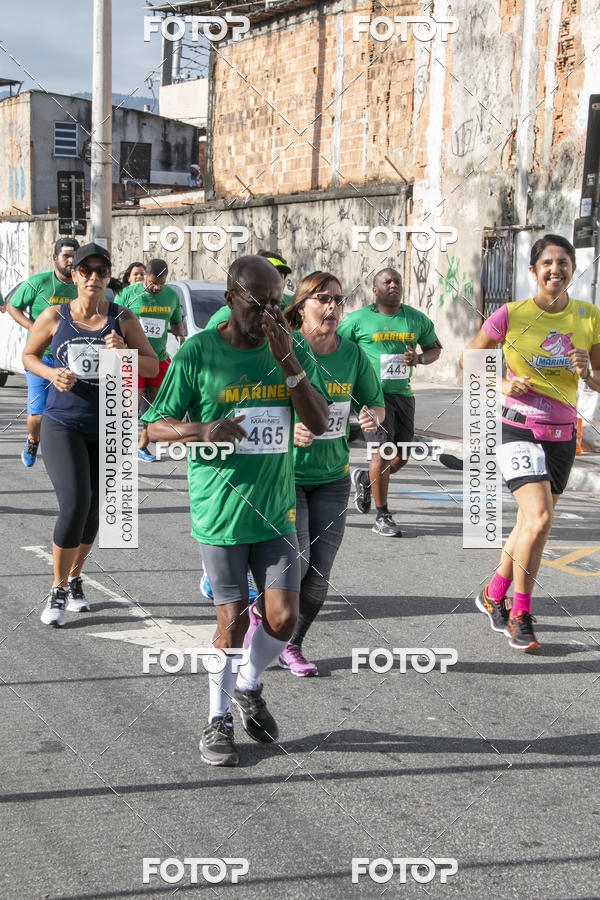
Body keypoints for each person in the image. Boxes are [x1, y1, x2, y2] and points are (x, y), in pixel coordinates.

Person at [144, 255, 330, 767]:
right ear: (231, 298)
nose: (269, 312)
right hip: (220, 512)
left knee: (284, 617)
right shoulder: (199, 353)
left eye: (277, 302)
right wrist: (203, 430)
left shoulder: (287, 349)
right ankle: (217, 719)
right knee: (229, 621)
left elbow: (319, 419)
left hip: (275, 511)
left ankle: (248, 685)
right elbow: (152, 426)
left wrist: (290, 363)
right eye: (258, 302)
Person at [463, 234, 600, 652]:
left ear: (572, 269)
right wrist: (504, 381)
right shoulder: (511, 314)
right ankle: (521, 611)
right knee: (539, 519)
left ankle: (492, 593)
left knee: (528, 525)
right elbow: (471, 359)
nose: (555, 270)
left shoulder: (590, 317)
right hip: (517, 427)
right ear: (533, 271)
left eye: (563, 263)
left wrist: (586, 371)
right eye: (547, 263)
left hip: (561, 436)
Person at [244, 271, 384, 676]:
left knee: (320, 577)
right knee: (299, 564)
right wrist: (293, 428)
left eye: (338, 300)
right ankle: (262, 612)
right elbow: (258, 410)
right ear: (301, 306)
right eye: (322, 298)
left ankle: (292, 644)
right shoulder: (281, 349)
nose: (332, 307)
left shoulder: (353, 355)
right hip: (286, 475)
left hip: (333, 477)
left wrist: (369, 417)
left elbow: (376, 405)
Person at [22, 243, 158, 627]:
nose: (94, 277)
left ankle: (77, 576)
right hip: (63, 422)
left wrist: (125, 351)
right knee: (75, 503)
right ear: (75, 275)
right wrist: (52, 374)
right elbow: (29, 355)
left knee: (97, 510)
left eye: (102, 271)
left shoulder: (123, 318)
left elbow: (150, 362)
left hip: (111, 423)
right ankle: (59, 588)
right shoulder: (54, 315)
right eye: (87, 270)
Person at [338, 268, 442, 536]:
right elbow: (337, 348)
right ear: (375, 290)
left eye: (397, 281)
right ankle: (382, 516)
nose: (393, 285)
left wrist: (418, 359)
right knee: (382, 453)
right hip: (371, 398)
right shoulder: (357, 320)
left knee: (403, 454)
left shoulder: (416, 319)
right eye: (387, 282)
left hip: (402, 395)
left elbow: (434, 349)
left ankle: (364, 478)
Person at [8, 237, 80, 467]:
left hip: (71, 360)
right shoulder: (38, 282)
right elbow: (12, 306)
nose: (70, 261)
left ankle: (62, 455)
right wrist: (33, 327)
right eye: (66, 256)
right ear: (55, 258)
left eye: (74, 257)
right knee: (37, 416)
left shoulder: (83, 285)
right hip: (40, 357)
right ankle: (32, 439)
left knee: (69, 415)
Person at [117, 259, 185, 461]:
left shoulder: (171, 296)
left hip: (159, 359)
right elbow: (112, 319)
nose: (156, 287)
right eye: (152, 282)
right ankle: (121, 446)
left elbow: (176, 319)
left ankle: (142, 446)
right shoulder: (129, 294)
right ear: (146, 275)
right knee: (131, 407)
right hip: (133, 358)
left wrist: (180, 335)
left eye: (161, 284)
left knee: (157, 408)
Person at [204, 250, 294, 333]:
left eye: (278, 278)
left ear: (284, 283)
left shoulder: (293, 306)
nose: (272, 284)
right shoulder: (226, 317)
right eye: (263, 277)